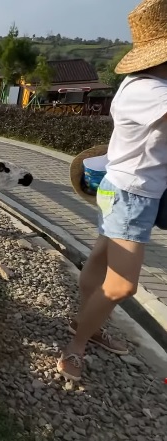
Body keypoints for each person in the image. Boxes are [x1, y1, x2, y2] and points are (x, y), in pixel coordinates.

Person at [58, 0, 167, 381]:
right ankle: (76, 346)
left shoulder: (143, 85)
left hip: (123, 189)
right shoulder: (150, 90)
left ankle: (86, 325)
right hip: (132, 196)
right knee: (122, 285)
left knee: (101, 261)